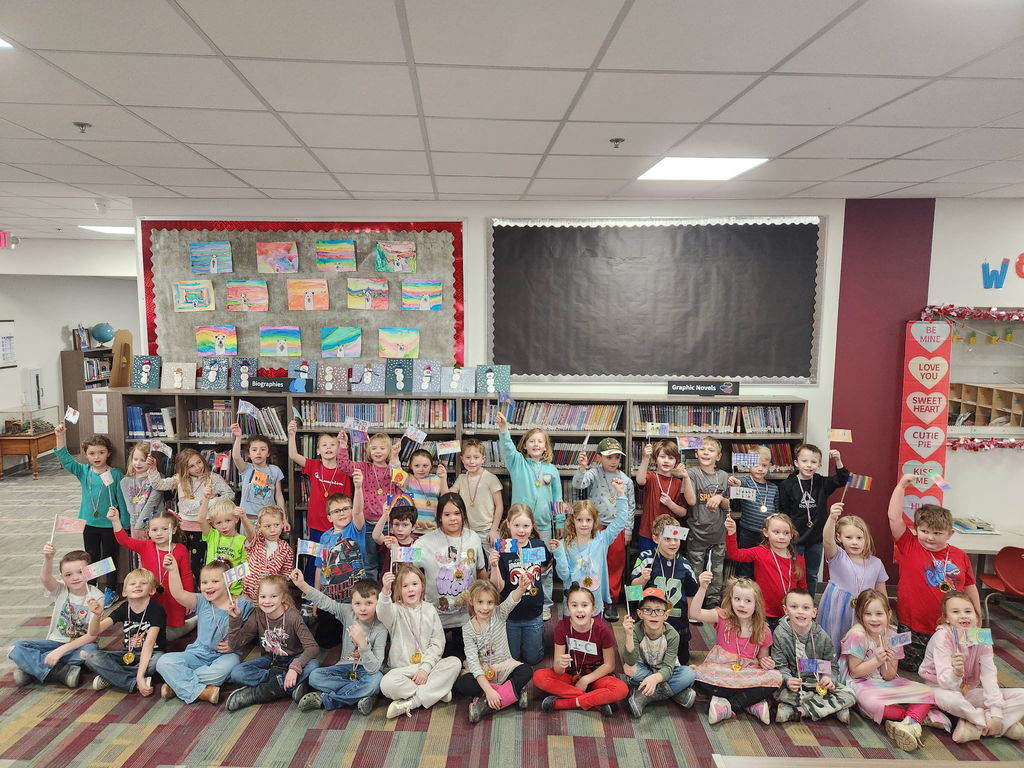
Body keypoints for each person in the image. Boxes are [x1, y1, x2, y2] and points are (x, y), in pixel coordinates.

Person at [887, 474, 980, 670]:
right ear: (916, 529)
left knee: (947, 667)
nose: (930, 538)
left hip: (950, 626)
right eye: (925, 531)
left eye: (937, 533)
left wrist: (978, 617)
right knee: (910, 667)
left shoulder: (960, 555)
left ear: (950, 533)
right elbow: (894, 517)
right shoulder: (909, 545)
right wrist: (902, 486)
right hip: (912, 625)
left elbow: (970, 588)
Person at [839, 589, 941, 752]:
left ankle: (908, 724)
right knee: (873, 704)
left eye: (879, 614)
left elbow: (890, 675)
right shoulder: (857, 635)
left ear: (888, 614)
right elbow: (855, 672)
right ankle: (914, 719)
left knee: (929, 691)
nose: (874, 619)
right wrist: (877, 660)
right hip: (861, 682)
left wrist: (888, 659)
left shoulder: (893, 635)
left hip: (886, 682)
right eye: (868, 614)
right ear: (860, 615)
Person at [919, 591, 1024, 743]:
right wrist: (956, 672)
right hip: (941, 690)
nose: (963, 616)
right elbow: (945, 683)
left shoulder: (980, 637)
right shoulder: (942, 637)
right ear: (946, 618)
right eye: (955, 612)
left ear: (976, 616)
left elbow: (989, 677)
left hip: (967, 691)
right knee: (953, 700)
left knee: (1022, 695)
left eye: (968, 611)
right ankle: (994, 725)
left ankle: (977, 724)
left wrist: (995, 712)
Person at [155, 556, 254, 704]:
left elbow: (252, 630)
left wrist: (236, 642)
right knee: (163, 662)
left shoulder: (243, 603)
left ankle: (176, 684)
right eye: (204, 582)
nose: (208, 586)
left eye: (215, 581)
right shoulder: (201, 600)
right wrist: (174, 570)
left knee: (223, 670)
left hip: (226, 656)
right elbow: (178, 594)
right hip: (197, 653)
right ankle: (201, 691)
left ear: (229, 581)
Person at [689, 573, 783, 725]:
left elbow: (762, 659)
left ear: (756, 604)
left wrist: (766, 662)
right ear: (730, 600)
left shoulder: (763, 629)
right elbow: (694, 613)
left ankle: (727, 706)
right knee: (694, 675)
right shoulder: (723, 616)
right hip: (720, 670)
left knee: (776, 677)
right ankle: (751, 703)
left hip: (747, 672)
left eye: (747, 601)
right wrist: (702, 588)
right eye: (737, 599)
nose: (741, 605)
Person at [496, 410, 561, 620]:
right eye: (531, 441)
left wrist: (560, 522)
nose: (535, 445)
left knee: (545, 566)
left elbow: (558, 499)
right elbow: (507, 448)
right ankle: (511, 599)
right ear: (524, 445)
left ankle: (544, 602)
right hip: (517, 527)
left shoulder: (552, 469)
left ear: (546, 447)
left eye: (540, 442)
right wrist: (504, 429)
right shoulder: (517, 463)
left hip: (542, 527)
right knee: (513, 563)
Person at [290, 574, 386, 715]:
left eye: (369, 603)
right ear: (351, 604)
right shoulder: (347, 612)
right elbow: (324, 601)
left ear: (378, 603)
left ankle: (326, 699)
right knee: (315, 676)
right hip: (343, 668)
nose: (363, 608)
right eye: (357, 603)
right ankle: (362, 695)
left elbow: (374, 668)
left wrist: (363, 645)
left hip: (367, 671)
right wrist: (302, 585)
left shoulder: (380, 628)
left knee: (376, 680)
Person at [223, 575, 319, 712]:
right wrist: (234, 620)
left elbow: (313, 647)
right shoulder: (258, 614)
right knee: (237, 672)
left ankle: (259, 692)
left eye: (273, 596)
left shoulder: (293, 616)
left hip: (293, 659)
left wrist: (295, 667)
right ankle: (286, 684)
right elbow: (235, 644)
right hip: (271, 662)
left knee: (313, 666)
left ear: (283, 598)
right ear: (257, 598)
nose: (267, 601)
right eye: (263, 597)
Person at [9, 544, 100, 688]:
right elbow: (45, 579)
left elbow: (92, 636)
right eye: (68, 575)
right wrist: (48, 558)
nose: (75, 578)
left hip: (79, 645)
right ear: (62, 577)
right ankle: (60, 672)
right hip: (54, 643)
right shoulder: (60, 590)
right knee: (14, 647)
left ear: (89, 572)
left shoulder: (96, 596)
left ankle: (31, 670)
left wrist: (60, 651)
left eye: (80, 572)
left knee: (89, 653)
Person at [378, 565, 461, 719]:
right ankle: (437, 691)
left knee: (455, 662)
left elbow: (437, 643)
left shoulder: (430, 609)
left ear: (422, 587)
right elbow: (382, 613)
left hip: (427, 667)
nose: (410, 589)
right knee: (386, 684)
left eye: (414, 584)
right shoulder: (394, 610)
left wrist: (425, 668)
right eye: (405, 586)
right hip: (402, 670)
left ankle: (413, 702)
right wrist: (385, 591)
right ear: (398, 590)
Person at [54, 423, 129, 594]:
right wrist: (60, 437)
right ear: (86, 455)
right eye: (92, 453)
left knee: (110, 557)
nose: (97, 457)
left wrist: (124, 524)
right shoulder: (84, 471)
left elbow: (122, 501)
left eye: (101, 452)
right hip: (89, 523)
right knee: (91, 556)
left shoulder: (116, 474)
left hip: (110, 525)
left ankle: (110, 589)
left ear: (108, 453)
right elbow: (65, 459)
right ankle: (92, 587)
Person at [532, 583, 628, 715]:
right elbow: (558, 669)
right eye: (574, 605)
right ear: (568, 608)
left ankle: (566, 703)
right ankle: (594, 700)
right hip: (570, 675)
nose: (579, 610)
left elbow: (609, 665)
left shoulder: (602, 630)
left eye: (585, 605)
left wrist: (586, 679)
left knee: (621, 689)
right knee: (539, 676)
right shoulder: (562, 627)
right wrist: (561, 664)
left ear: (593, 609)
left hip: (595, 677)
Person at [572, 437, 636, 621]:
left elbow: (630, 507)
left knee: (615, 565)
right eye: (609, 457)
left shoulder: (625, 481)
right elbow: (578, 484)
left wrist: (628, 530)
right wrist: (582, 468)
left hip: (617, 528)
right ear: (599, 457)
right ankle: (589, 597)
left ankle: (611, 602)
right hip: (595, 527)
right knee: (592, 563)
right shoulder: (594, 473)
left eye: (617, 457)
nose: (613, 461)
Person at [147, 448, 233, 583]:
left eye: (199, 462)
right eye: (191, 466)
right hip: (183, 529)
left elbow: (230, 494)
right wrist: (152, 469)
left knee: (198, 565)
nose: (198, 467)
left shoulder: (214, 478)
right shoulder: (180, 479)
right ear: (184, 469)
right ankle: (181, 589)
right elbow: (159, 484)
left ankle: (198, 591)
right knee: (180, 562)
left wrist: (209, 502)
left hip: (203, 529)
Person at [416, 493, 487, 658]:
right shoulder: (423, 542)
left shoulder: (474, 538)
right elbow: (408, 570)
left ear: (463, 514)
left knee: (468, 659)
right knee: (432, 659)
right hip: (436, 615)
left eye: (457, 513)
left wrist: (488, 601)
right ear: (439, 517)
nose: (453, 518)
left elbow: (481, 571)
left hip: (467, 616)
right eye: (447, 514)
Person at [771, 588, 856, 723]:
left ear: (814, 612)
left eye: (806, 608)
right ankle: (831, 708)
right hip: (794, 685)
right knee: (776, 692)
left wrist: (829, 679)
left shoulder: (822, 636)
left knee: (850, 695)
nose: (800, 611)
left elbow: (832, 666)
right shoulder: (780, 634)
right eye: (794, 607)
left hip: (817, 683)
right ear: (786, 610)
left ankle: (799, 711)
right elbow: (779, 665)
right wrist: (788, 680)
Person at [108, 507, 193, 639]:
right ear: (149, 532)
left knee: (173, 627)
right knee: (151, 621)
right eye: (154, 530)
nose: (159, 533)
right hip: (152, 593)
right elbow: (123, 540)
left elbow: (186, 575)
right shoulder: (145, 546)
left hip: (175, 594)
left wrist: (188, 597)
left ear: (174, 530)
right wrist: (115, 521)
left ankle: (189, 624)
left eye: (165, 529)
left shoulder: (181, 549)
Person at [456, 578, 533, 723]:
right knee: (463, 683)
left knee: (526, 670)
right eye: (480, 602)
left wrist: (521, 589)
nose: (485, 608)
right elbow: (473, 663)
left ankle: (484, 705)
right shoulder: (467, 629)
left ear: (495, 603)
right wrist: (489, 690)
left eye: (490, 602)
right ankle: (512, 694)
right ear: (472, 601)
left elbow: (512, 599)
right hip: (482, 672)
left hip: (504, 666)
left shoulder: (499, 614)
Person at [551, 481, 631, 621]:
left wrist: (620, 493)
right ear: (572, 521)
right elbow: (563, 576)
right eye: (579, 519)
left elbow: (621, 520)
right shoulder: (565, 544)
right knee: (573, 637)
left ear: (595, 522)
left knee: (594, 635)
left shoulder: (602, 539)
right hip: (573, 604)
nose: (584, 524)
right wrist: (558, 552)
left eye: (588, 520)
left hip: (595, 601)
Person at [778, 444, 848, 597]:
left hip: (816, 539)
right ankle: (792, 602)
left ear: (819, 465)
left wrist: (838, 460)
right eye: (804, 461)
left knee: (811, 574)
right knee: (794, 572)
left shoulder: (821, 482)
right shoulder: (787, 485)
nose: (809, 465)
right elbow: (783, 512)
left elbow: (843, 479)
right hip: (795, 539)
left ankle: (809, 603)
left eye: (813, 462)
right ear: (797, 463)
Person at [287, 421, 353, 580]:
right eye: (324, 445)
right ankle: (310, 592)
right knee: (314, 560)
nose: (329, 448)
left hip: (338, 525)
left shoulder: (345, 470)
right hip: (316, 524)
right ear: (318, 450)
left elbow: (348, 501)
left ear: (339, 449)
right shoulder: (314, 465)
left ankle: (332, 591)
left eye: (333, 444)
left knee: (336, 560)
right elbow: (294, 455)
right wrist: (292, 435)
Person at [817, 503, 888, 651]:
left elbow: (882, 593)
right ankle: (834, 666)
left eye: (859, 537)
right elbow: (827, 540)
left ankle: (857, 666)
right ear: (839, 537)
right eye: (848, 537)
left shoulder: (876, 563)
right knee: (835, 637)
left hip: (866, 608)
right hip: (837, 607)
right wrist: (831, 518)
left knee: (860, 640)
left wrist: (886, 614)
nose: (854, 542)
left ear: (866, 538)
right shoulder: (837, 556)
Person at [629, 514, 700, 662]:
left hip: (678, 627)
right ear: (656, 539)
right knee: (645, 661)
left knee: (682, 662)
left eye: (676, 539)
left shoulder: (685, 564)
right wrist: (642, 579)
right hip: (650, 626)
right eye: (667, 539)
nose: (673, 543)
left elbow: (692, 593)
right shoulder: (646, 558)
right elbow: (632, 594)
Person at [83, 568, 165, 695]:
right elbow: (95, 631)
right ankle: (132, 683)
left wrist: (140, 675)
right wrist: (96, 615)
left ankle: (112, 677)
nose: (137, 585)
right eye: (132, 584)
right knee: (92, 657)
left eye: (143, 583)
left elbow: (149, 645)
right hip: (127, 654)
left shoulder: (156, 609)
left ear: (152, 590)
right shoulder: (123, 608)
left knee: (158, 662)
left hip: (152, 654)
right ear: (124, 592)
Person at [336, 429, 404, 581]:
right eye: (374, 448)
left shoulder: (392, 469)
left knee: (388, 562)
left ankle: (387, 592)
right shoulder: (363, 468)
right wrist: (342, 445)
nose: (378, 452)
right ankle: (372, 593)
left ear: (388, 450)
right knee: (369, 563)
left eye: (382, 448)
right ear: (368, 451)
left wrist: (395, 457)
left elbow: (401, 485)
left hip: (387, 524)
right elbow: (344, 465)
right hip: (366, 525)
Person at [620, 587, 697, 718]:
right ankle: (676, 693)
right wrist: (628, 635)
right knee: (628, 669)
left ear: (665, 615)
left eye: (658, 610)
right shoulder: (636, 630)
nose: (653, 614)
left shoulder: (672, 635)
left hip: (667, 671)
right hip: (645, 669)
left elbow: (668, 667)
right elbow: (630, 661)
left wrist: (654, 679)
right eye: (647, 610)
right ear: (640, 614)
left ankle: (645, 695)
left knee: (689, 673)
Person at [489, 504, 550, 665]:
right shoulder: (503, 550)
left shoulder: (538, 545)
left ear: (532, 526)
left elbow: (547, 563)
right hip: (510, 617)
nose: (521, 530)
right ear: (508, 524)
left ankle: (538, 639)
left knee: (533, 659)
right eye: (516, 525)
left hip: (534, 615)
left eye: (526, 526)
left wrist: (538, 573)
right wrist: (494, 566)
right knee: (512, 659)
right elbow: (498, 588)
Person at [724, 513, 806, 629]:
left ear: (791, 535)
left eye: (786, 533)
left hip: (789, 615)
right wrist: (731, 533)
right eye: (776, 532)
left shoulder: (798, 560)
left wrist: (802, 609)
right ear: (766, 533)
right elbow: (735, 554)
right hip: (763, 613)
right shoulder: (760, 552)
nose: (781, 537)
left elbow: (802, 589)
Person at [314, 481, 367, 647]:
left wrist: (358, 488)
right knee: (325, 643)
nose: (342, 513)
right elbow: (319, 568)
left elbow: (358, 512)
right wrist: (316, 598)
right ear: (329, 517)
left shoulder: (355, 530)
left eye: (346, 509)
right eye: (337, 511)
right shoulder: (324, 538)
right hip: (329, 599)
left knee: (353, 643)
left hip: (353, 599)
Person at [685, 437, 732, 608]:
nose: (706, 452)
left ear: (718, 456)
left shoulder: (723, 476)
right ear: (696, 453)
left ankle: (713, 600)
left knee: (717, 570)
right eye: (702, 449)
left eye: (711, 450)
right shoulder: (692, 473)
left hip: (718, 533)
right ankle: (696, 598)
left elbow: (728, 505)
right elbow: (689, 498)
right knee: (695, 569)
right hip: (697, 532)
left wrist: (720, 497)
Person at [635, 439, 694, 555]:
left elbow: (683, 512)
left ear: (676, 462)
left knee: (667, 566)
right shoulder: (651, 477)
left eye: (671, 458)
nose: (666, 461)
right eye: (662, 457)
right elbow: (640, 480)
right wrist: (646, 458)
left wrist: (670, 504)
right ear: (655, 459)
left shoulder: (678, 483)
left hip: (670, 535)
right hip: (648, 532)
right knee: (646, 565)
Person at [725, 446, 777, 578]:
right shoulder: (746, 482)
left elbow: (777, 511)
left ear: (769, 466)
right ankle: (744, 585)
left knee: (763, 563)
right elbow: (738, 483)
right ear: (748, 466)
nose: (760, 468)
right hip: (747, 532)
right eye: (756, 465)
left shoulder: (774, 488)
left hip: (765, 534)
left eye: (764, 465)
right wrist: (734, 481)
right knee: (745, 563)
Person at [449, 438, 503, 545]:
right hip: (466, 530)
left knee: (493, 559)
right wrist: (442, 478)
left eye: (476, 457)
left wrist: (493, 530)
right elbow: (448, 496)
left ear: (483, 459)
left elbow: (499, 506)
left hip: (487, 530)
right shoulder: (461, 478)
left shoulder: (491, 478)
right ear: (462, 459)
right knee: (468, 559)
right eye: (468, 458)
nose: (472, 461)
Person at [238, 505, 294, 603]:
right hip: (249, 597)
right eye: (267, 526)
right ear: (260, 527)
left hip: (270, 598)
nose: (272, 530)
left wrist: (289, 578)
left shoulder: (286, 549)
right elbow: (250, 532)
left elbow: (285, 574)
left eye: (276, 525)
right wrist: (243, 517)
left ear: (282, 524)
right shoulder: (256, 540)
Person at [230, 425, 285, 521]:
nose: (258, 453)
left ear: (268, 453)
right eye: (254, 450)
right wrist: (238, 437)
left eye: (263, 449)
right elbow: (236, 457)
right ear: (248, 454)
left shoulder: (275, 470)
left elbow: (279, 495)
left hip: (268, 518)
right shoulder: (246, 468)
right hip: (248, 518)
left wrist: (283, 517)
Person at [198, 496, 248, 596]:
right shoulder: (213, 535)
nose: (224, 526)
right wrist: (206, 498)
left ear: (236, 519)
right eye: (219, 522)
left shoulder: (242, 540)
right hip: (211, 589)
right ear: (212, 524)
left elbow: (245, 568)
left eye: (228, 521)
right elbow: (201, 520)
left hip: (234, 592)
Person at [120, 441, 164, 543]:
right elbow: (130, 506)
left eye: (143, 460)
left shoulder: (158, 479)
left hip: (155, 523)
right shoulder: (125, 481)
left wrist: (140, 525)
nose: (138, 463)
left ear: (152, 461)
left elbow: (152, 503)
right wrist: (137, 526)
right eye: (135, 459)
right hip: (135, 524)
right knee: (141, 555)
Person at [404, 448, 449, 534]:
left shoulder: (436, 479)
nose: (421, 469)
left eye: (425, 466)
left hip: (433, 530)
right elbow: (394, 469)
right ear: (410, 466)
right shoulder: (408, 478)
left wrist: (443, 478)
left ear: (431, 466)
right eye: (417, 466)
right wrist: (394, 455)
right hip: (411, 530)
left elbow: (446, 499)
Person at [373, 501, 419, 575]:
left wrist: (396, 548)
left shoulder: (417, 544)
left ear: (413, 527)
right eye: (396, 524)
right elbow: (376, 536)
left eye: (405, 525)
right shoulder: (390, 539)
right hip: (388, 584)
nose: (400, 529)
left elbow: (410, 564)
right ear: (391, 527)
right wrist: (384, 516)